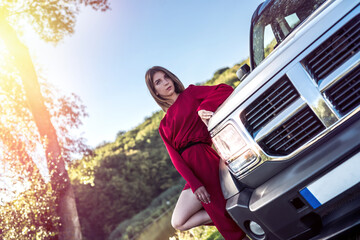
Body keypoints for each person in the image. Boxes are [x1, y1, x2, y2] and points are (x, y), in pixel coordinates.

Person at [145, 66, 246, 240]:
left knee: (219, 209)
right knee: (178, 222)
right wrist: (194, 183)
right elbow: (175, 158)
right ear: (156, 92)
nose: (166, 82)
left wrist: (204, 107)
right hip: (190, 171)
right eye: (158, 82)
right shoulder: (163, 125)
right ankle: (229, 213)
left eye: (166, 77)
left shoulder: (190, 94)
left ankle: (236, 224)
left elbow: (224, 89)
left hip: (205, 159)